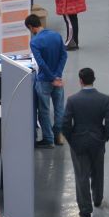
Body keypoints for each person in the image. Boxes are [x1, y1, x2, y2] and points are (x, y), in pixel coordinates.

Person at [62, 68, 109, 217]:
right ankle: (97, 199)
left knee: (81, 175)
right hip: (97, 142)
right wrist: (103, 137)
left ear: (80, 80)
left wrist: (72, 140)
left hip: (79, 144)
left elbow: (65, 124)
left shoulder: (73, 100)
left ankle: (85, 209)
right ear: (94, 79)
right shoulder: (104, 99)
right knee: (98, 172)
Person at [25, 14, 67, 148]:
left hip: (44, 80)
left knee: (44, 110)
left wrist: (51, 77)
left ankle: (48, 139)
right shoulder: (56, 36)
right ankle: (58, 134)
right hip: (58, 80)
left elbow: (41, 63)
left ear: (31, 27)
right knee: (59, 108)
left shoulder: (35, 42)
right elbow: (63, 56)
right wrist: (57, 76)